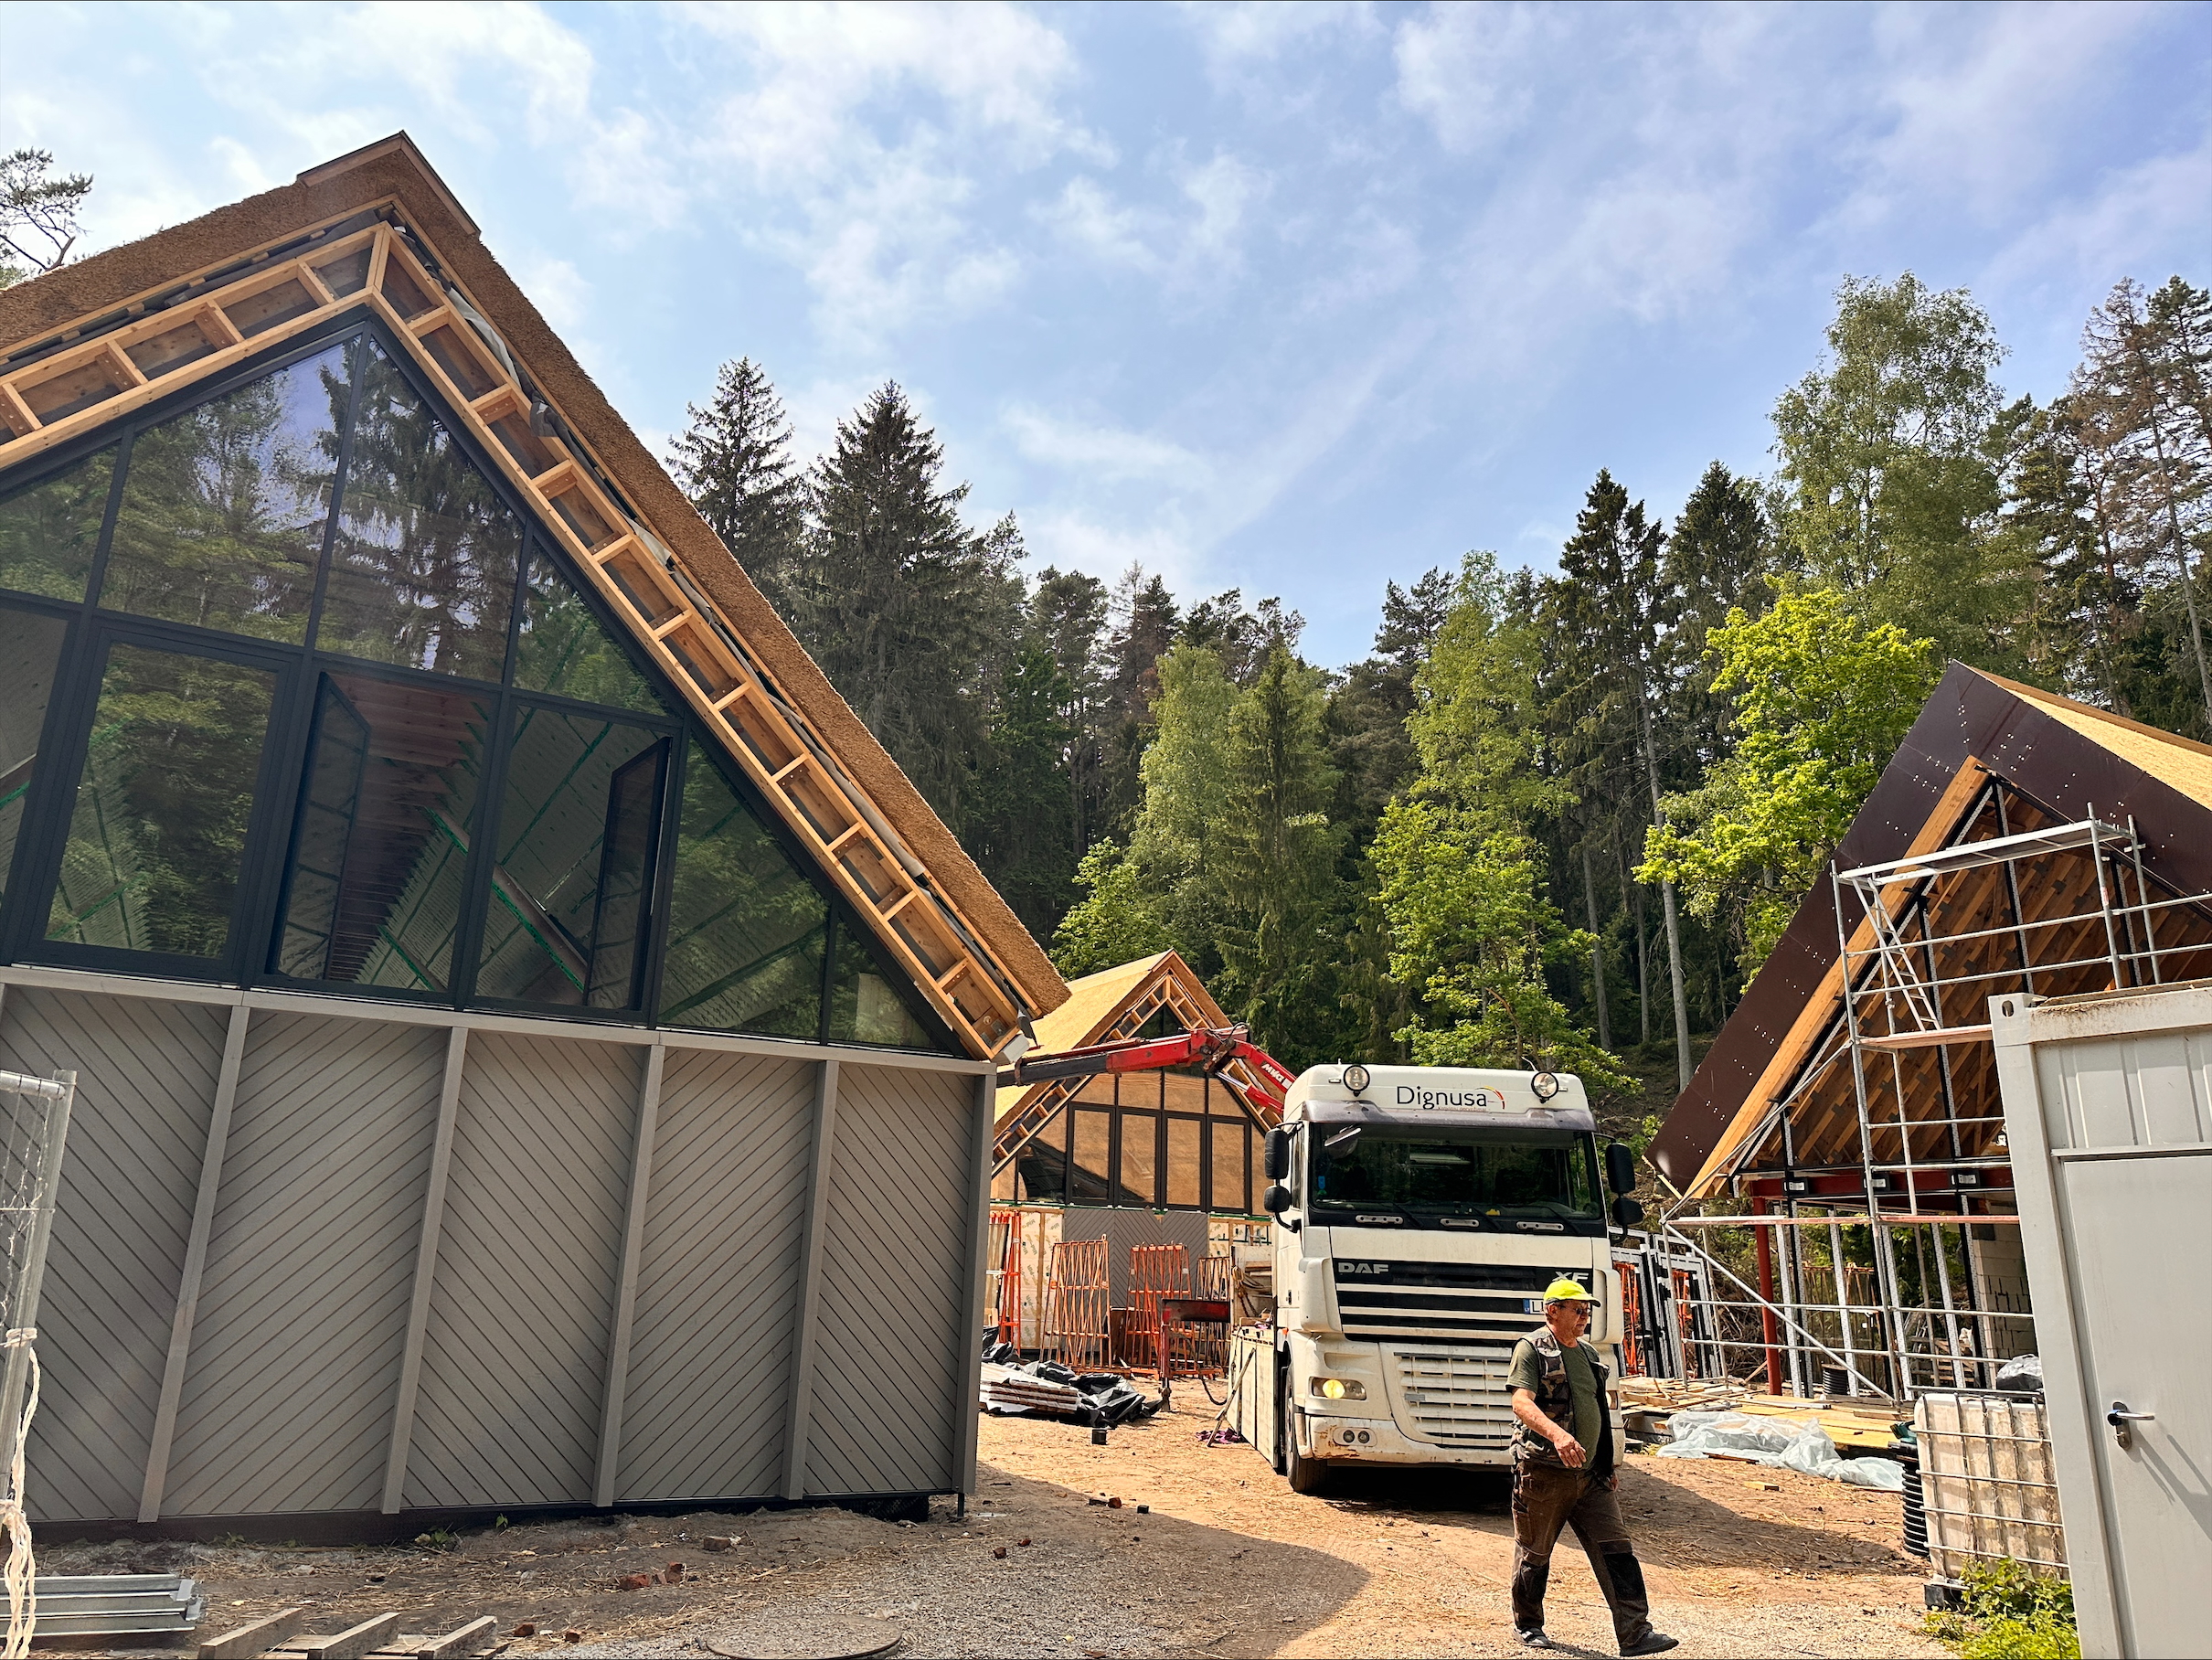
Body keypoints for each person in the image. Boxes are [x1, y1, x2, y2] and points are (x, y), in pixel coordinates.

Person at [1505, 1277, 1678, 1655]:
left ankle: (1635, 1634)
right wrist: (1558, 1436)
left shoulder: (1587, 1354)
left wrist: (1605, 1464)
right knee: (1535, 1553)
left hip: (1591, 1477)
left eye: (1587, 1311)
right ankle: (1529, 1625)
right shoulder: (1531, 1349)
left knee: (1618, 1553)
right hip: (1545, 1473)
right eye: (1578, 1310)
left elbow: (1596, 1409)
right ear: (1553, 1311)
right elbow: (1521, 1402)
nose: (1585, 1317)